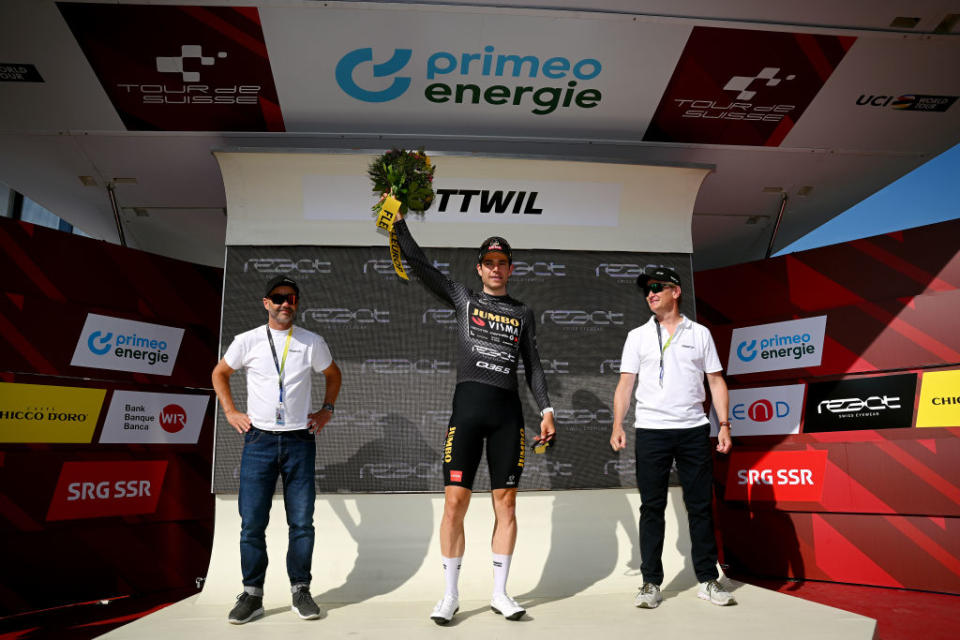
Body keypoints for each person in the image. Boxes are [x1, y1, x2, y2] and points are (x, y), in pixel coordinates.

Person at [392, 211, 555, 624]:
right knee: (454, 505)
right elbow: (422, 266)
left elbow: (533, 365)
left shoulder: (522, 312)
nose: (496, 269)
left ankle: (500, 594)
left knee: (507, 505)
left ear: (510, 268)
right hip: (466, 413)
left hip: (508, 417)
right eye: (489, 262)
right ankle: (450, 595)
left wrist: (547, 410)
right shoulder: (464, 299)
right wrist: (396, 224)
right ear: (479, 268)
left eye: (503, 263)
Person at [212, 275, 342, 624]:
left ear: (296, 304)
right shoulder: (247, 340)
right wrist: (230, 411)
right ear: (266, 302)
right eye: (278, 297)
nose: (286, 303)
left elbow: (333, 374)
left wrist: (326, 410)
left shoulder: (312, 342)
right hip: (259, 440)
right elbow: (219, 373)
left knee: (301, 523)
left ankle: (301, 590)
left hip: (300, 440)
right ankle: (252, 595)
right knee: (252, 523)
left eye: (292, 298)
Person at [609, 266, 735, 609]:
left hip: (693, 429)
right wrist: (618, 424)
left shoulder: (700, 333)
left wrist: (723, 424)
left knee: (699, 506)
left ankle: (708, 580)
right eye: (647, 289)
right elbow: (625, 384)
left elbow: (716, 381)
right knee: (652, 507)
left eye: (657, 287)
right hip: (651, 431)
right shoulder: (636, 336)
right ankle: (651, 583)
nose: (650, 293)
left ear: (675, 291)